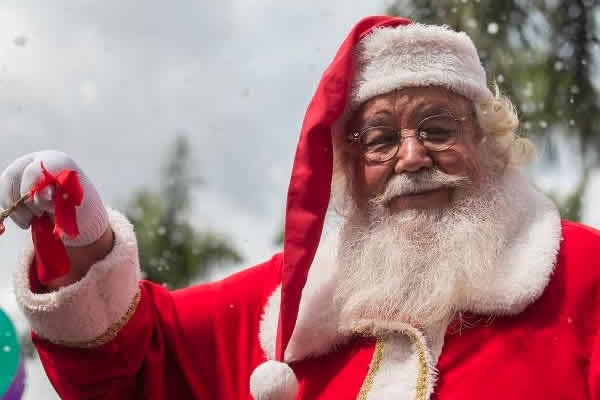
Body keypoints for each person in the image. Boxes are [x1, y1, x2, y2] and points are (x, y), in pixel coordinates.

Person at [0, 15, 599, 400]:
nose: (411, 158)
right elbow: (134, 363)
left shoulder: (583, 274)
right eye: (382, 140)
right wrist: (83, 248)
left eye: (438, 129)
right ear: (347, 172)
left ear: (487, 144)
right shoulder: (289, 310)